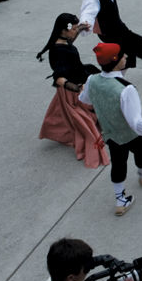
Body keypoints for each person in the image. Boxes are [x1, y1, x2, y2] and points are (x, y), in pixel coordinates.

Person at [79, 42, 142, 216]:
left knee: (118, 164)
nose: (126, 56)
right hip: (132, 133)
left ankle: (120, 199)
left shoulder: (92, 80)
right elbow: (137, 124)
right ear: (116, 61)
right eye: (123, 55)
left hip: (111, 133)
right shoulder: (126, 89)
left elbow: (85, 100)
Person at [37, 13, 109, 169]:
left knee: (64, 116)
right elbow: (59, 78)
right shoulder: (57, 51)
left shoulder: (63, 41)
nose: (75, 31)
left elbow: (69, 42)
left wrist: (81, 27)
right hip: (72, 90)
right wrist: (77, 88)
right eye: (73, 28)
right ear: (63, 31)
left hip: (80, 77)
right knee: (82, 119)